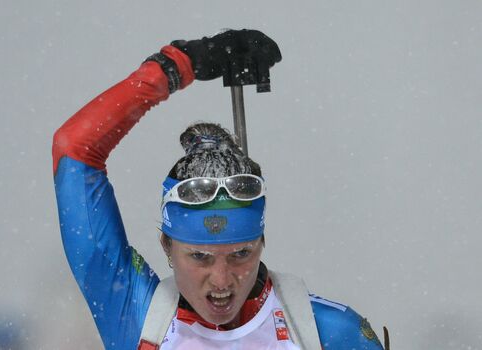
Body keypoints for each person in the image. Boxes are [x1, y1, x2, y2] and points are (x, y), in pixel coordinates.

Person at [52, 29, 385, 350]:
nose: (222, 281)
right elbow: (74, 148)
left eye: (241, 254)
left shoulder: (329, 331)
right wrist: (177, 65)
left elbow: (74, 149)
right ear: (167, 245)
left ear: (262, 242)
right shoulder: (134, 316)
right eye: (200, 257)